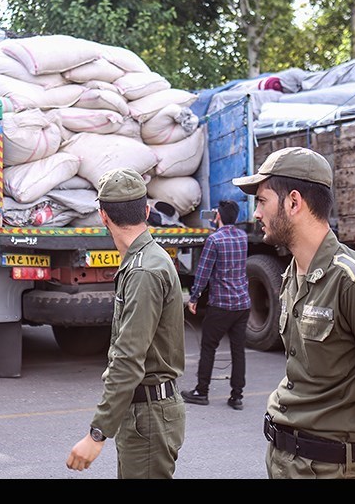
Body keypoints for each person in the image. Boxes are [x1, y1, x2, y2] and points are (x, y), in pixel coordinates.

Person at [232, 146, 355, 479]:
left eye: (261, 201)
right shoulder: (291, 274)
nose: (256, 213)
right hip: (284, 459)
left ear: (293, 202)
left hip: (334, 469)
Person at [66, 168, 186, 479]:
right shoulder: (143, 260)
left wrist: (97, 434)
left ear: (103, 216)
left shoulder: (144, 270)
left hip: (149, 415)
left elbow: (129, 358)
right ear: (147, 210)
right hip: (142, 412)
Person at [181, 200, 251, 411]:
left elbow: (203, 272)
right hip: (242, 304)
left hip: (221, 304)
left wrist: (193, 297)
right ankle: (236, 396)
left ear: (218, 216)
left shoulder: (214, 240)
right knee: (238, 350)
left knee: (209, 347)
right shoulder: (243, 237)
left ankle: (202, 391)